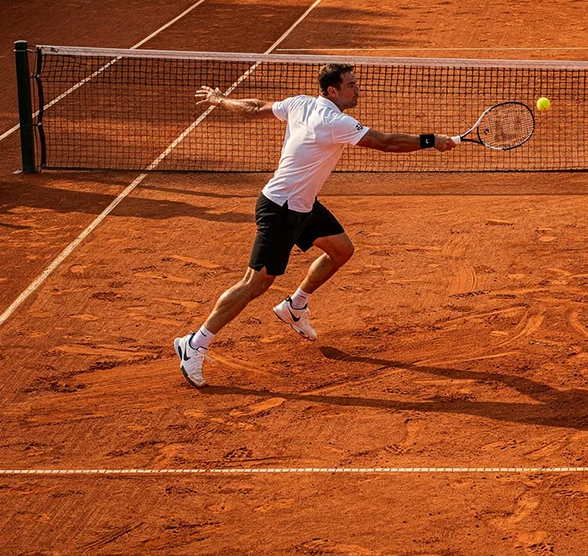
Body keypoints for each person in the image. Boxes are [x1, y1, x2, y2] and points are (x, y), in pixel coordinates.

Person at [174, 63, 457, 388]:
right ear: (333, 91)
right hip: (280, 209)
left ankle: (295, 306)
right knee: (255, 283)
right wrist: (430, 140)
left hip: (302, 205)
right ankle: (194, 343)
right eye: (351, 85)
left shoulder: (299, 103)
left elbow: (254, 108)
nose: (357, 89)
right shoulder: (334, 121)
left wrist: (221, 100)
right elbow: (387, 142)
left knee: (341, 250)